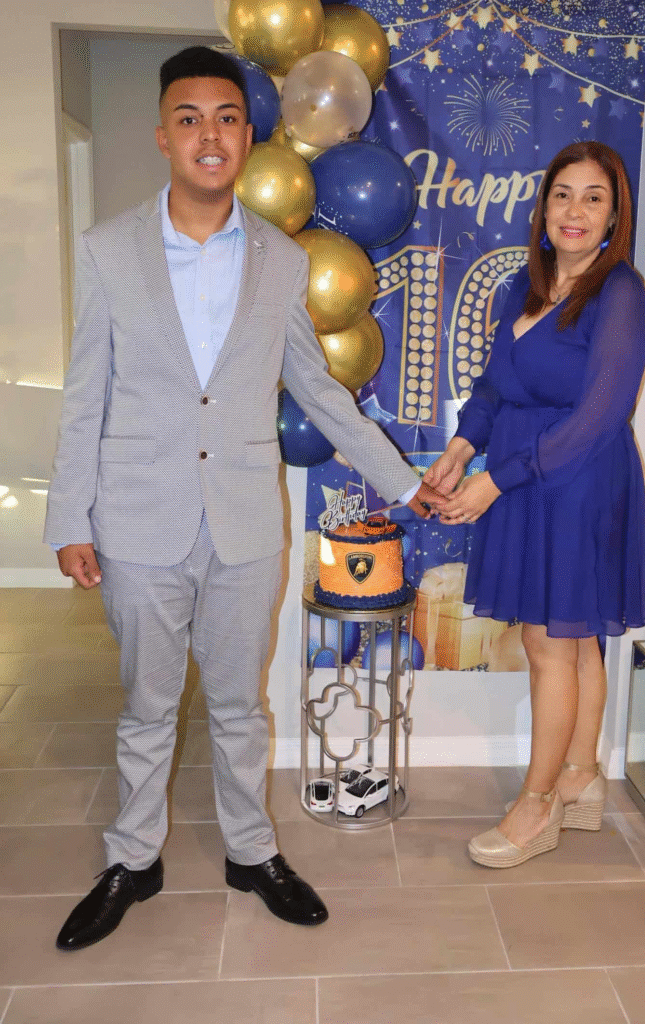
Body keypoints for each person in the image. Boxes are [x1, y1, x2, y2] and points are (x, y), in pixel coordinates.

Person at [44, 46, 444, 950]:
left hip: (243, 524)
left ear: (247, 132)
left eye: (226, 117)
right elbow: (85, 396)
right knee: (147, 709)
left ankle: (251, 852)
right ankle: (132, 860)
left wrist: (406, 483)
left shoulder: (278, 258)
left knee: (239, 707)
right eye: (189, 118)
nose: (209, 135)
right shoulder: (107, 250)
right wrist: (69, 519)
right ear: (163, 136)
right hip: (137, 519)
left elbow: (320, 391)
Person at [425, 141, 645, 868]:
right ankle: (580, 776)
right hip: (525, 477)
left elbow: (600, 416)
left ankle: (537, 804)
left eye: (593, 197)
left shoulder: (621, 295)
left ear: (614, 215)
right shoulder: (523, 286)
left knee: (550, 642)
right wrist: (462, 447)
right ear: (544, 206)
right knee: (573, 639)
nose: (574, 210)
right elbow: (493, 389)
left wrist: (497, 480)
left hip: (577, 479)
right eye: (562, 194)